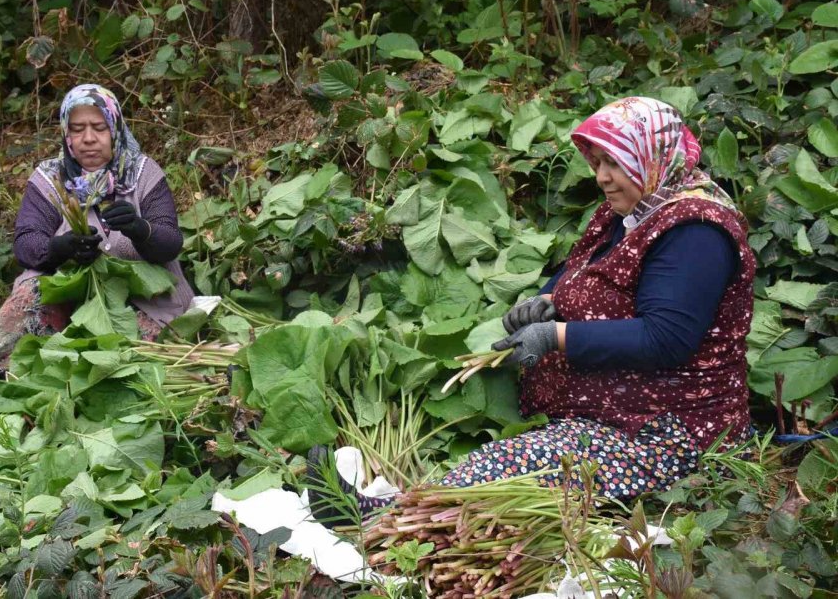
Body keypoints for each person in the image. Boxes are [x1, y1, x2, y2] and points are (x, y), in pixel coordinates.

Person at [311, 96, 755, 519]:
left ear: (653, 157)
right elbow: (586, 269)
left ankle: (377, 516)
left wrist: (555, 336)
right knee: (515, 453)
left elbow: (666, 339)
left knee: (517, 465)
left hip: (664, 431)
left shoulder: (696, 231)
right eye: (597, 162)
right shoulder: (634, 208)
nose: (601, 176)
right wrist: (546, 300)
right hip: (606, 413)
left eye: (615, 163)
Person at [0, 84, 194, 381]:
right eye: (77, 130)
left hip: (142, 305)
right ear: (67, 134)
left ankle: (67, 381)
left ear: (115, 128)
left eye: (99, 128)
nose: (88, 139)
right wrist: (61, 248)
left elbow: (170, 242)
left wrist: (141, 230)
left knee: (122, 359)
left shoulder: (141, 174)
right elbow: (27, 242)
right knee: (33, 295)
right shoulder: (50, 178)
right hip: (68, 304)